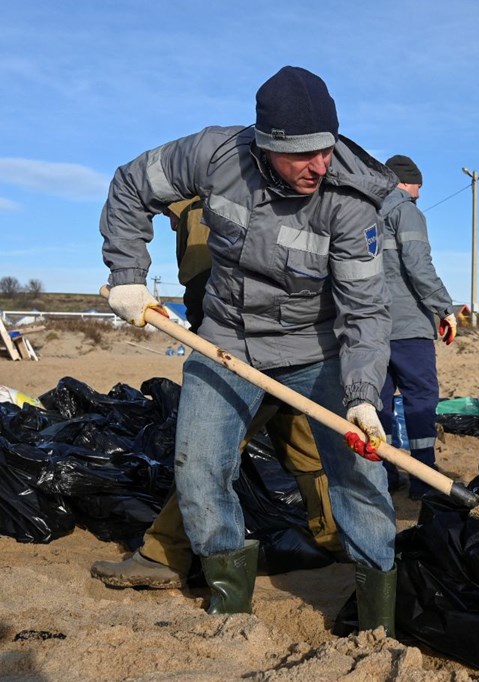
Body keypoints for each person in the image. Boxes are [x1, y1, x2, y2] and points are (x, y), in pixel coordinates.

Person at [99, 66, 397, 635]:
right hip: (226, 340)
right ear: (265, 145)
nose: (319, 166)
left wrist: (361, 395)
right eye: (302, 155)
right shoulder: (214, 155)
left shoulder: (351, 199)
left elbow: (364, 310)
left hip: (320, 350)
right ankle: (229, 608)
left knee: (359, 472)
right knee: (199, 465)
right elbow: (131, 184)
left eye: (326, 150)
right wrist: (129, 272)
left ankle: (378, 614)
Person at [91, 197, 342, 589]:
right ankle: (335, 536)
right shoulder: (236, 202)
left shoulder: (197, 215)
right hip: (287, 340)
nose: (168, 225)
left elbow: (204, 289)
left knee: (210, 450)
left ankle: (164, 554)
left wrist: (209, 341)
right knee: (305, 443)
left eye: (166, 216)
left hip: (241, 350)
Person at [376, 154, 457, 500]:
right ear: (405, 182)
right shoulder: (405, 210)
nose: (419, 195)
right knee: (421, 400)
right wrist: (444, 308)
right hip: (409, 325)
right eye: (417, 186)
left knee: (379, 401)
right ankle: (423, 476)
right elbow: (419, 266)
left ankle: (383, 473)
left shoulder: (365, 213)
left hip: (372, 326)